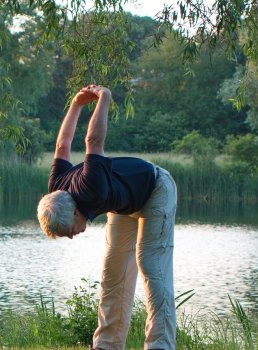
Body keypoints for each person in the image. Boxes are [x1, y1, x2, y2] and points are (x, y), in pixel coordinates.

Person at [37, 85, 178, 350]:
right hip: (125, 203)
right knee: (113, 273)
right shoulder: (58, 187)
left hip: (156, 189)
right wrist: (76, 104)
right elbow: (62, 144)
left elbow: (93, 142)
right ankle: (106, 345)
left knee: (151, 266)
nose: (72, 235)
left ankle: (160, 345)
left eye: (69, 230)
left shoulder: (91, 187)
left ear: (76, 211)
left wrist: (104, 98)